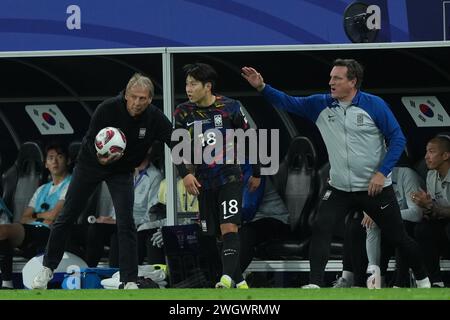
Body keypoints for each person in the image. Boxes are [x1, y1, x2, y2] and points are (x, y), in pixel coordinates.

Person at [242, 59, 430, 288]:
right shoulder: (320, 104)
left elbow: (398, 138)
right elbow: (287, 102)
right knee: (322, 227)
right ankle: (315, 284)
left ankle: (423, 279)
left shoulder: (374, 104)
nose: (331, 82)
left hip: (374, 188)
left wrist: (382, 173)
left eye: (337, 78)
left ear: (353, 82)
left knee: (398, 237)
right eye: (331, 77)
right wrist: (262, 87)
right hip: (339, 187)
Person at [32, 73, 177, 290]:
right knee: (67, 215)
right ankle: (46, 270)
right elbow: (90, 140)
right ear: (126, 95)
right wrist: (101, 158)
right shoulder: (107, 109)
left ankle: (128, 280)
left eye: (143, 99)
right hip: (91, 164)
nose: (137, 103)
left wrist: (189, 170)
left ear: (150, 100)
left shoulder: (154, 117)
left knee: (126, 222)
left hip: (122, 170)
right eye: (134, 97)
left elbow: (175, 140)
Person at [173, 63, 261, 289]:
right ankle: (240, 281)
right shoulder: (182, 111)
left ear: (207, 86)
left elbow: (250, 137)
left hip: (230, 176)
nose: (188, 89)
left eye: (193, 84)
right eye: (186, 84)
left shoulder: (230, 106)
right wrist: (184, 175)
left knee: (229, 227)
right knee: (209, 234)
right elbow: (177, 147)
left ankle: (225, 278)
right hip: (203, 180)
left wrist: (258, 172)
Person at [333, 165, 425, 288]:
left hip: (408, 223)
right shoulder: (368, 180)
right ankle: (360, 281)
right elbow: (369, 216)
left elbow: (416, 214)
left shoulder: (406, 175)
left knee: (398, 231)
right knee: (357, 225)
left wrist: (383, 217)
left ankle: (400, 283)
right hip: (384, 225)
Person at [0, 143, 71, 289]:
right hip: (33, 230)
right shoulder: (41, 189)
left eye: (59, 157)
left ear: (68, 161)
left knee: (4, 230)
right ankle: (7, 283)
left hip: (51, 231)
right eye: (51, 158)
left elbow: (54, 216)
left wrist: (36, 215)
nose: (55, 161)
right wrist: (41, 217)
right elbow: (24, 218)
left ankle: (7, 283)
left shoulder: (71, 184)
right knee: (2, 232)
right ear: (45, 164)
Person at [85, 147, 163, 268]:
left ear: (148, 150)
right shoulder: (125, 172)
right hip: (116, 222)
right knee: (95, 228)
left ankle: (118, 275)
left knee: (119, 234)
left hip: (136, 225)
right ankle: (88, 270)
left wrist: (117, 221)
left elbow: (151, 216)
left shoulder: (155, 176)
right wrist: (108, 218)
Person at [413, 134, 450, 287]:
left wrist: (430, 206)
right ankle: (436, 282)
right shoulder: (431, 175)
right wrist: (425, 206)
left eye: (431, 152)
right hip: (442, 224)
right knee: (422, 229)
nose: (426, 157)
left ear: (446, 155)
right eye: (426, 152)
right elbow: (433, 208)